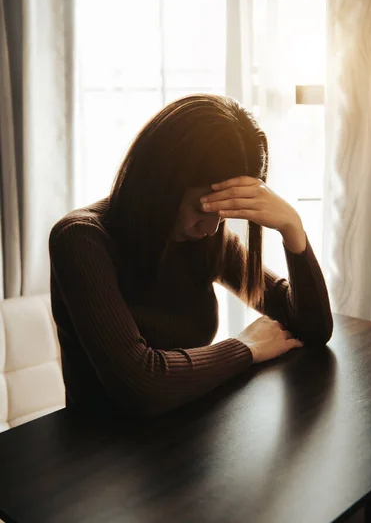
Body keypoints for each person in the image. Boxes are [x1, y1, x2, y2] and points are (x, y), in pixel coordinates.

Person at [49, 94, 333, 420]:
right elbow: (141, 385)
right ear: (163, 181)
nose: (212, 228)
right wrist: (245, 347)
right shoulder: (81, 240)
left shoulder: (202, 239)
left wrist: (291, 227)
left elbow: (312, 329)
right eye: (203, 208)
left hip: (183, 438)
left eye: (225, 214)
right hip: (100, 456)